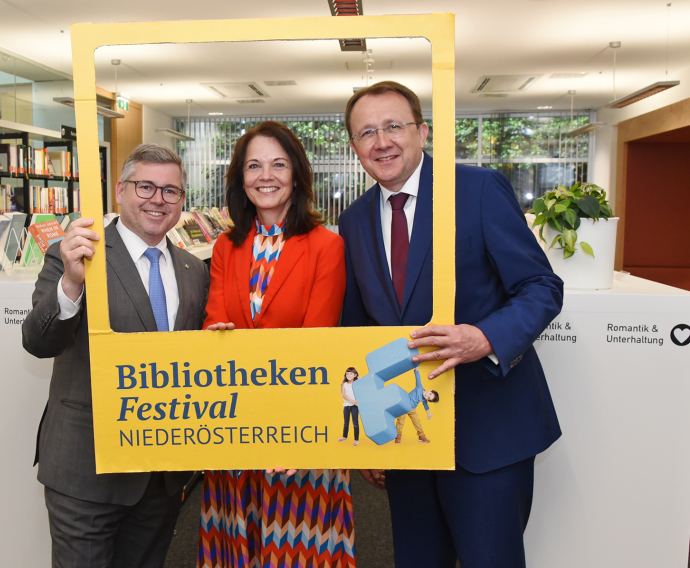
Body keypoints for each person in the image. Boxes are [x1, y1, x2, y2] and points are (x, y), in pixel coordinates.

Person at [338, 81, 564, 567]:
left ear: (422, 132)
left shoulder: (477, 190)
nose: (382, 142)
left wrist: (486, 337)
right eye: (367, 132)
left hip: (488, 432)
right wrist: (372, 430)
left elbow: (541, 287)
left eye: (394, 126)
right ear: (355, 147)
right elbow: (357, 330)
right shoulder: (354, 221)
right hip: (409, 436)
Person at [22, 144, 209, 568]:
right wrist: (72, 284)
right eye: (146, 187)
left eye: (171, 191)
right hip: (86, 470)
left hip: (159, 476)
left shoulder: (193, 270)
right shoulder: (76, 254)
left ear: (181, 200)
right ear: (120, 190)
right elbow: (38, 341)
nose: (158, 200)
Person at [199, 121, 352, 567]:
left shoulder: (326, 246)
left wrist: (290, 432)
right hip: (235, 424)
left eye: (278, 164)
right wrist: (216, 337)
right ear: (240, 178)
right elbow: (214, 321)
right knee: (238, 544)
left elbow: (317, 345)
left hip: (299, 426)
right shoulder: (226, 246)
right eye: (254, 166)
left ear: (297, 175)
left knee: (298, 548)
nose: (265, 176)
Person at [340, 366, 361, 445]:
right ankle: (344, 436)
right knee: (346, 423)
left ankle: (356, 439)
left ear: (355, 375)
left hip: (355, 407)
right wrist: (352, 401)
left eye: (351, 374)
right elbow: (344, 395)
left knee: (355, 423)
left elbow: (362, 380)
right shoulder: (344, 384)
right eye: (347, 374)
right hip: (346, 406)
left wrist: (357, 377)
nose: (348, 375)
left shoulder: (357, 383)